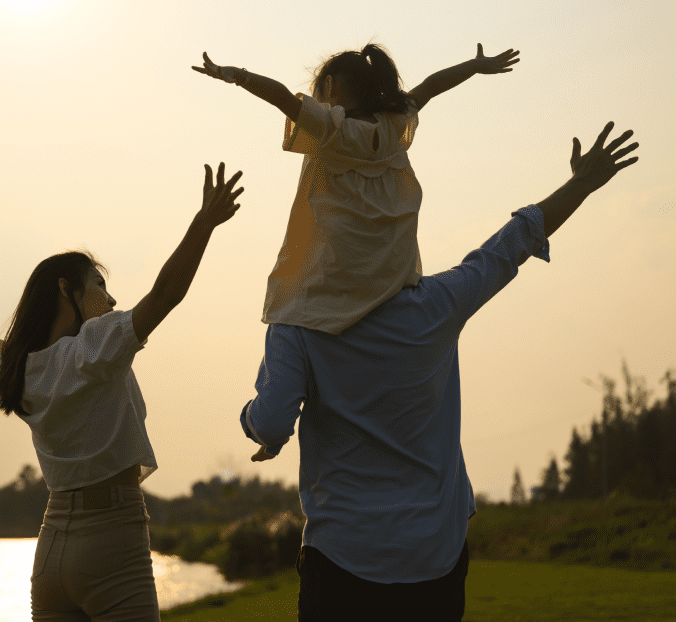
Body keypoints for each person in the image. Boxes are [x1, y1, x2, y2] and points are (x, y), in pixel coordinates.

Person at [238, 121, 639, 621]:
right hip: (435, 558)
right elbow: (510, 244)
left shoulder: (297, 319)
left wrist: (255, 425)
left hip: (343, 556)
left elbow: (273, 419)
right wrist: (580, 184)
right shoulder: (438, 304)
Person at [0, 163, 244, 621]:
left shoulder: (23, 364)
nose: (111, 301)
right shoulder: (94, 349)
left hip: (52, 543)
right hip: (113, 538)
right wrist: (203, 224)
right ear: (65, 289)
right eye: (100, 286)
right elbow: (165, 295)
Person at [193, 42, 519, 335]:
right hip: (393, 279)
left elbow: (280, 96)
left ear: (331, 86)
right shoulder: (394, 124)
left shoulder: (330, 128)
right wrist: (474, 66)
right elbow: (431, 86)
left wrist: (237, 75)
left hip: (331, 287)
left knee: (288, 320)